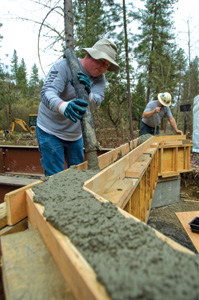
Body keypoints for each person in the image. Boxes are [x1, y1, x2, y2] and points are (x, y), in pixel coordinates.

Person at [36, 38, 120, 176]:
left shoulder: (100, 79)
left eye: (107, 65)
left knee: (78, 175)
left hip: (75, 134)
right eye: (101, 62)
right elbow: (47, 93)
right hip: (50, 130)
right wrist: (63, 106)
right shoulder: (64, 66)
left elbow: (97, 103)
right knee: (55, 177)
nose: (103, 68)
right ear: (89, 55)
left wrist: (89, 94)